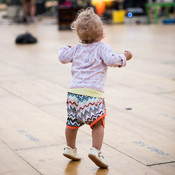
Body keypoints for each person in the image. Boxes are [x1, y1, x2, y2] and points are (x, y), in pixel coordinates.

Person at [58, 7, 132, 169]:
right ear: (101, 32)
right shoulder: (102, 47)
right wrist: (125, 57)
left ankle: (70, 148)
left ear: (78, 33)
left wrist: (65, 47)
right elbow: (112, 60)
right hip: (92, 96)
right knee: (97, 124)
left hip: (73, 95)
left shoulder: (76, 49)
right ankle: (95, 150)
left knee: (72, 123)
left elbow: (62, 58)